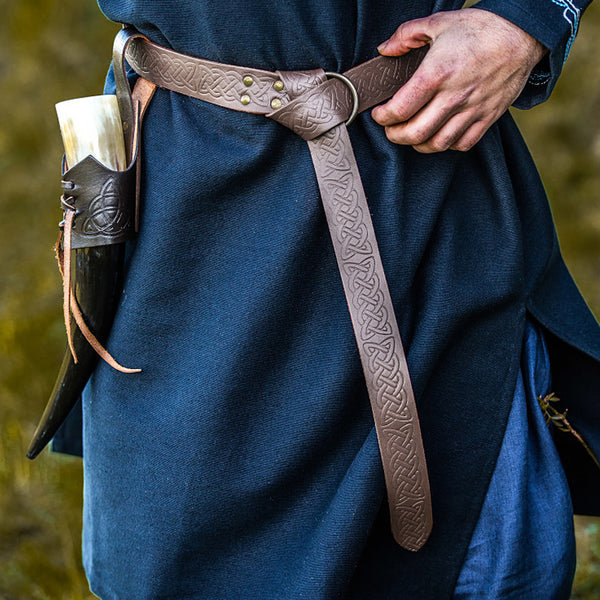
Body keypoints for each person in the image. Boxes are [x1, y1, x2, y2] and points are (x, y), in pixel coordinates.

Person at [51, 0, 600, 598]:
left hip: (423, 194)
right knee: (177, 556)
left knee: (481, 562)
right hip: (191, 205)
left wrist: (525, 18)